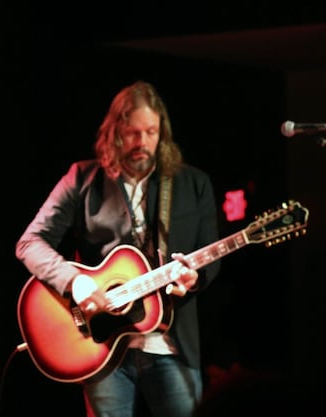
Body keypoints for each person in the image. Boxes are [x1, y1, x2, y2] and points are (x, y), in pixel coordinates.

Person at [16, 80, 221, 417]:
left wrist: (193, 279)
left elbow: (209, 258)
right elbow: (30, 243)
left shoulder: (193, 184)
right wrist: (75, 282)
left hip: (173, 347)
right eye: (133, 133)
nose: (143, 142)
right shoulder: (82, 178)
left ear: (162, 133)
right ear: (114, 133)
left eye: (151, 132)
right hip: (100, 347)